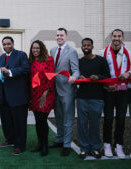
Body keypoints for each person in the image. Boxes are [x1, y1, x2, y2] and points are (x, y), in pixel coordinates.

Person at [99, 29, 131, 159]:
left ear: (123, 38)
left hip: (123, 92)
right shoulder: (103, 53)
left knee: (121, 119)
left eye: (119, 36)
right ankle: (107, 144)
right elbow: (100, 71)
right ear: (111, 37)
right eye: (114, 36)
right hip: (108, 91)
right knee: (107, 118)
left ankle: (119, 145)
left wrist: (129, 73)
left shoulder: (129, 53)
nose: (116, 38)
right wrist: (106, 84)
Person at [76, 38, 110, 159]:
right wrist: (78, 77)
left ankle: (95, 148)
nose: (86, 47)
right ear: (81, 47)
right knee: (82, 124)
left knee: (95, 124)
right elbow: (74, 77)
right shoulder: (79, 62)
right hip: (82, 98)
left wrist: (98, 77)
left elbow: (108, 76)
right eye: (84, 45)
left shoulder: (101, 61)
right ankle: (84, 149)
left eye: (88, 45)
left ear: (92, 46)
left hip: (97, 98)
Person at [0, 36, 30, 155]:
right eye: (4, 44)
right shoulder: (1, 57)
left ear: (13, 44)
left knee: (19, 122)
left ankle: (20, 145)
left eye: (8, 44)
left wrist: (9, 72)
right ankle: (10, 140)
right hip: (4, 96)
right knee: (6, 121)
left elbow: (26, 69)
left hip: (18, 96)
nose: (6, 46)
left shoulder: (21, 55)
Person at [49, 28, 80, 156]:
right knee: (58, 117)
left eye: (61, 35)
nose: (59, 37)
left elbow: (76, 70)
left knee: (68, 118)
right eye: (57, 35)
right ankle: (59, 139)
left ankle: (67, 144)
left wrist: (74, 77)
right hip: (54, 89)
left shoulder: (72, 51)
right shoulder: (52, 50)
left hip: (67, 89)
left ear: (66, 36)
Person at [28, 40, 55, 156]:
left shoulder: (49, 60)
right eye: (33, 48)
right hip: (34, 94)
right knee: (38, 120)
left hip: (46, 94)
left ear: (42, 49)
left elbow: (51, 76)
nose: (35, 50)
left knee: (43, 120)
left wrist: (45, 93)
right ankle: (39, 144)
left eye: (37, 48)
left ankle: (45, 146)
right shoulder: (30, 61)